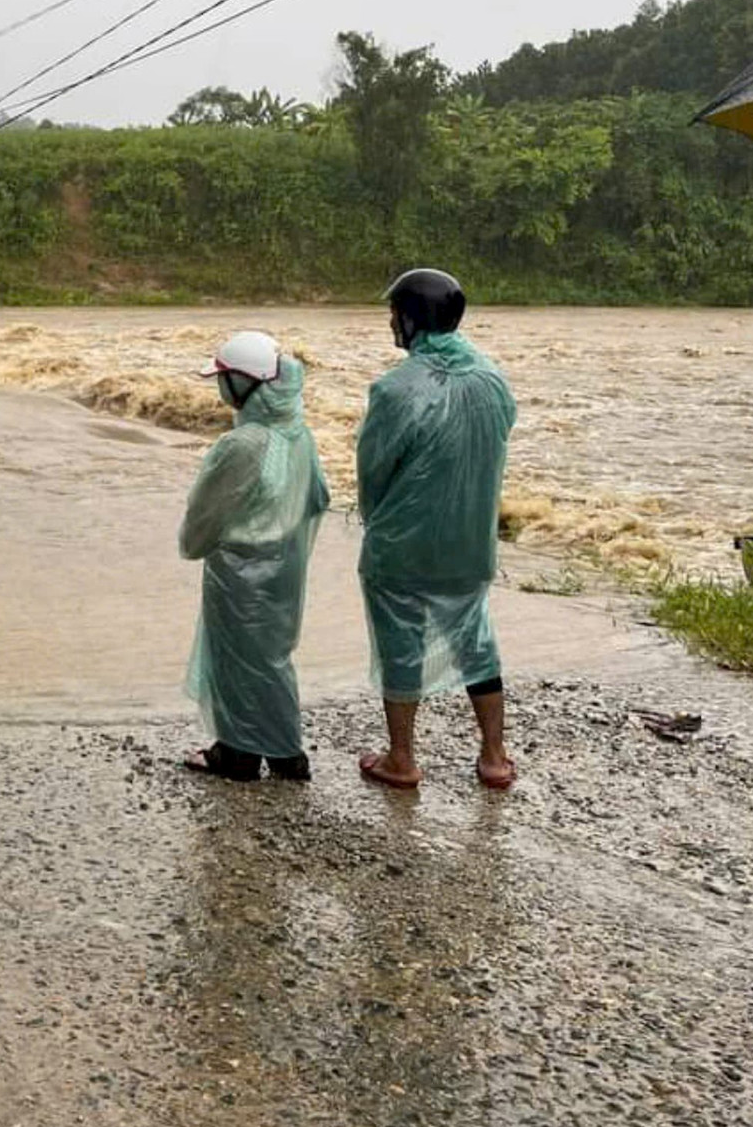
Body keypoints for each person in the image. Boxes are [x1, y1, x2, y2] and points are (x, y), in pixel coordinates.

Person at [355, 269, 518, 791]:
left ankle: (401, 760)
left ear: (411, 319)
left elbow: (373, 468)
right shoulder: (493, 379)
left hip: (404, 543)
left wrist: (377, 521)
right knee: (476, 640)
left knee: (401, 644)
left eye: (394, 313)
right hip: (470, 540)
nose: (390, 323)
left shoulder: (395, 388)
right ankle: (494, 755)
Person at [180, 331, 329, 782]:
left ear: (242, 385)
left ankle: (238, 754)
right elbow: (318, 496)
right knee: (272, 658)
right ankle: (285, 754)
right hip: (285, 565)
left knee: (234, 660)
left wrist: (199, 545)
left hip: (240, 571)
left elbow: (203, 517)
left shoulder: (241, 444)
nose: (220, 387)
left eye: (224, 379)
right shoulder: (297, 434)